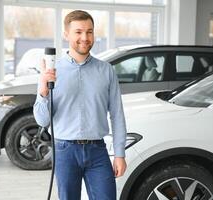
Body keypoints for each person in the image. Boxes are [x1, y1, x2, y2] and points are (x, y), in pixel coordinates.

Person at [33, 10, 127, 200]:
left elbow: (117, 115)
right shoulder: (51, 72)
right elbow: (42, 119)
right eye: (78, 32)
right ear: (66, 34)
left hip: (98, 151)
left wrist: (119, 154)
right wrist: (43, 90)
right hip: (64, 152)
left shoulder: (106, 71)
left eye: (89, 31)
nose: (85, 37)